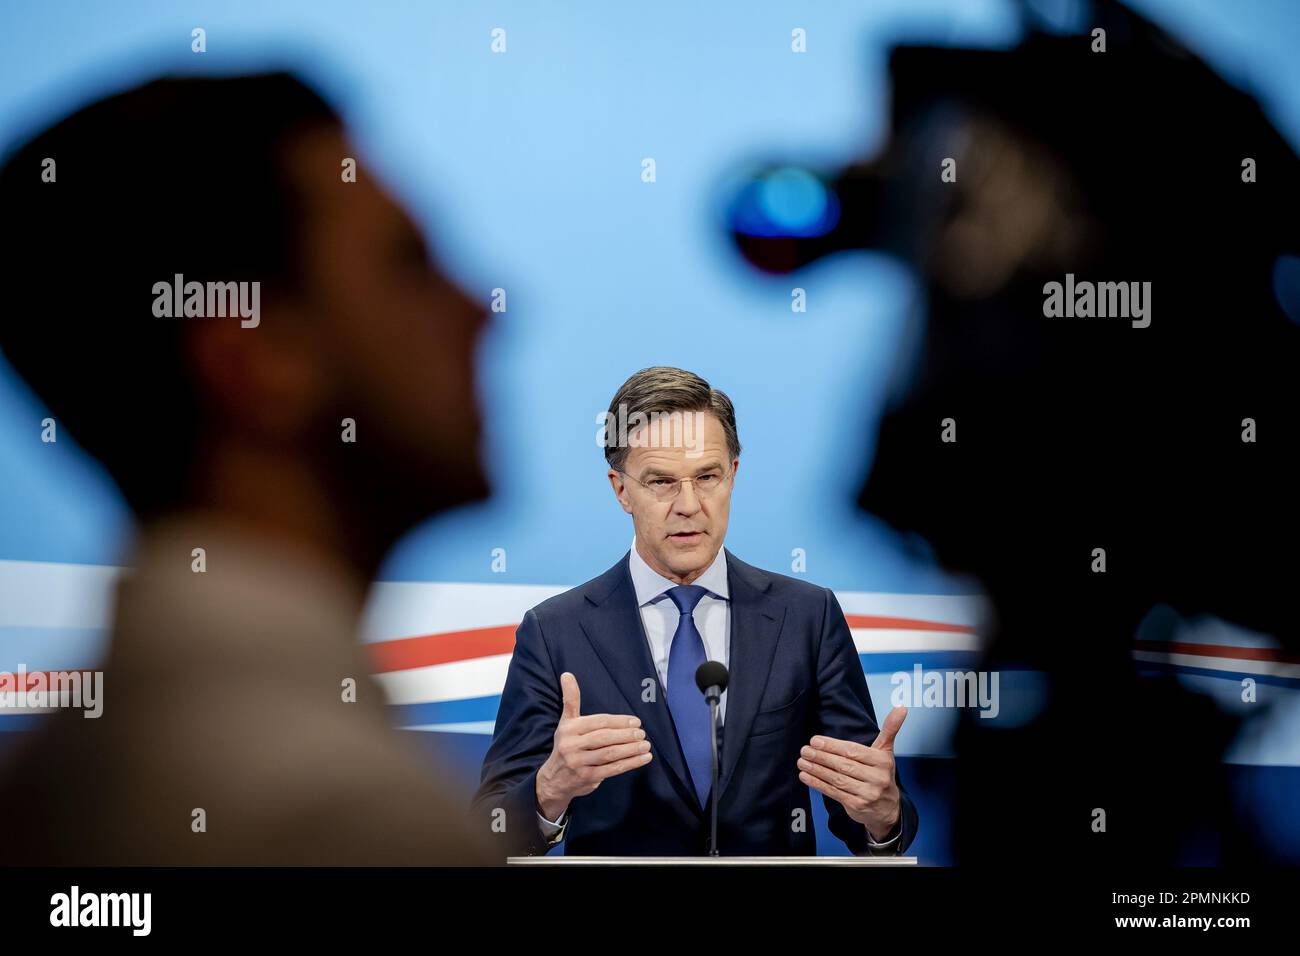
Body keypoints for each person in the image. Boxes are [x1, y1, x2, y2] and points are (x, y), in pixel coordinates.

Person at [0, 72, 496, 864]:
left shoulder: (46, 782)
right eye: (410, 263)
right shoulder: (345, 820)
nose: (483, 309)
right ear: (254, 356)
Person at [473, 366, 918, 856]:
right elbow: (489, 830)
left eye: (707, 476)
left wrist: (883, 814)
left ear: (733, 475)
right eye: (661, 482)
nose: (689, 505)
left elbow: (868, 820)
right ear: (621, 490)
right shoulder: (555, 631)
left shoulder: (807, 617)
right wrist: (550, 788)